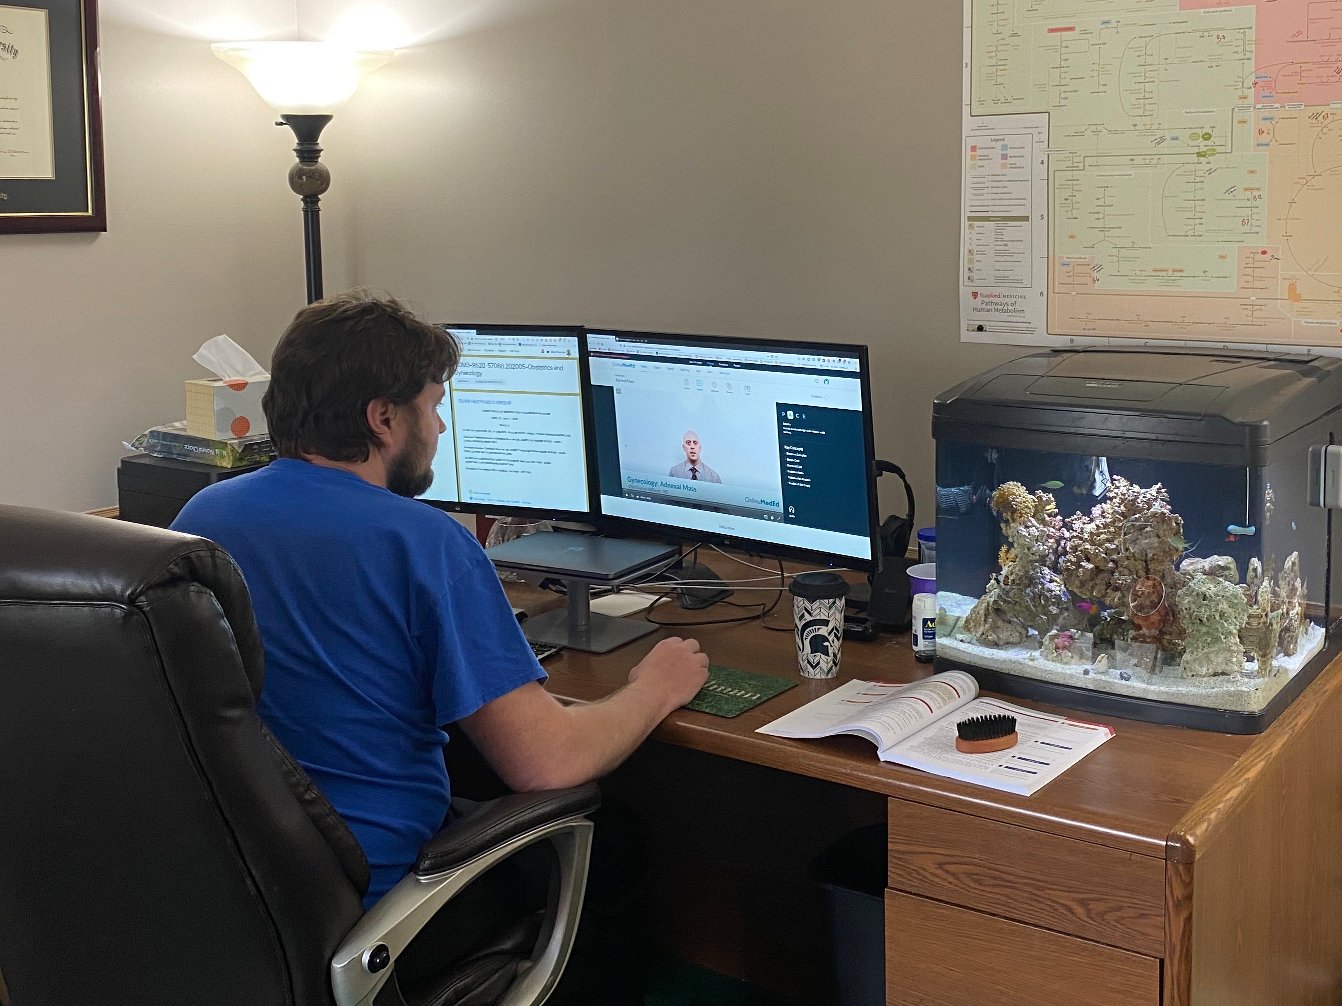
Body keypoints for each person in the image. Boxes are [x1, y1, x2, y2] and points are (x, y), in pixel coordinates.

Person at [170, 292, 709, 915]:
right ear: (384, 418)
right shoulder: (422, 542)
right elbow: (549, 761)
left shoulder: (203, 517)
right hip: (379, 889)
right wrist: (656, 686)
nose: (441, 428)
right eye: (432, 407)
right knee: (615, 836)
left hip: (251, 877)